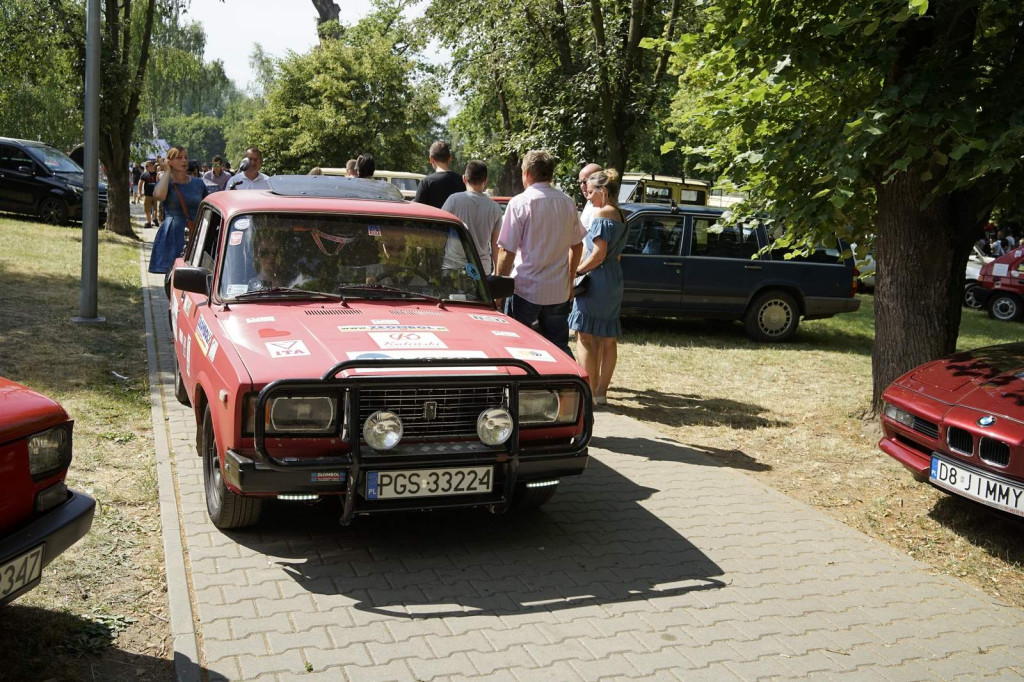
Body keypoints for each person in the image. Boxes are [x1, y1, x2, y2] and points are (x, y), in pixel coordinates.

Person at [495, 150, 585, 359]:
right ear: (550, 174)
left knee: (516, 347)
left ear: (526, 173)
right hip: (557, 291)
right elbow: (577, 245)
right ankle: (567, 388)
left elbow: (506, 250)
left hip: (525, 289)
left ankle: (525, 389)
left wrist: (498, 290)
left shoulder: (520, 202)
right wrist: (569, 281)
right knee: (558, 349)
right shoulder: (567, 202)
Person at [568, 169, 628, 405]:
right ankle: (601, 392)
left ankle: (589, 391)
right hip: (614, 278)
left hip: (598, 278)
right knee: (608, 337)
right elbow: (615, 255)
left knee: (585, 335)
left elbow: (598, 254)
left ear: (603, 191)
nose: (589, 198)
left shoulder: (602, 214)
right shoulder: (622, 215)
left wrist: (577, 271)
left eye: (591, 192)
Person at [149, 146, 209, 274]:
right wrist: (166, 172)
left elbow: (207, 207)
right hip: (173, 233)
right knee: (173, 275)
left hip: (195, 232)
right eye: (179, 157)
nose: (184, 161)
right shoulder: (166, 182)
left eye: (186, 157)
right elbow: (159, 196)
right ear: (169, 161)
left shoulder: (198, 183)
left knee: (195, 273)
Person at [441, 160, 503, 274]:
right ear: (485, 181)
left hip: (453, 267)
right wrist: (498, 274)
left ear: (464, 178)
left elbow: (440, 229)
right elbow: (495, 245)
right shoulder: (495, 208)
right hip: (481, 270)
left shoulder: (453, 200)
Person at [412, 140, 466, 209]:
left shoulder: (426, 182)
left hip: (434, 219)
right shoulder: (462, 181)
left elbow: (417, 208)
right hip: (455, 220)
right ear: (450, 158)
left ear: (431, 159)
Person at [578, 163, 602, 229]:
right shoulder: (590, 203)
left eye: (585, 182)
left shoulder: (601, 208)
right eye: (580, 182)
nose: (582, 186)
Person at [139, 160, 158, 228]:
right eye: (145, 166)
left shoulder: (157, 174)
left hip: (156, 195)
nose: (146, 167)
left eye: (147, 166)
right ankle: (148, 222)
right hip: (147, 194)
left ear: (152, 166)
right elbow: (140, 183)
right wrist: (139, 192)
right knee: (147, 209)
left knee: (156, 209)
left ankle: (155, 219)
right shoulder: (144, 174)